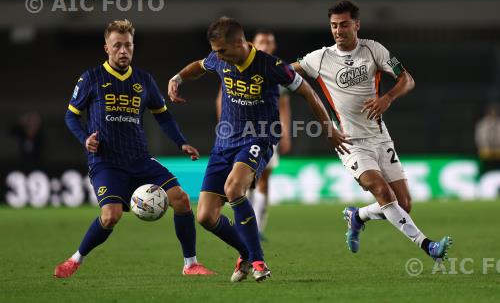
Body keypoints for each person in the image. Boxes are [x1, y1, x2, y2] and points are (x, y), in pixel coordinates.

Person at [168, 17, 350, 282]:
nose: (218, 56)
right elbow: (199, 66)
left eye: (222, 51)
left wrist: (329, 128)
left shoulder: (271, 66)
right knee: (206, 216)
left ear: (240, 42)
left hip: (258, 138)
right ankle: (246, 251)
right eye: (216, 51)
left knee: (233, 190)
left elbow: (309, 92)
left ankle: (258, 261)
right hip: (225, 141)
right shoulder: (219, 59)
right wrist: (177, 78)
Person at [291, 0, 452, 261]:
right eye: (333, 26)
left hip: (379, 136)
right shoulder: (319, 58)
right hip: (349, 141)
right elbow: (287, 72)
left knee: (404, 205)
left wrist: (387, 98)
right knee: (382, 192)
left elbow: (406, 79)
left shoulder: (373, 49)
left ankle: (358, 216)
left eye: (344, 24)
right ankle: (428, 246)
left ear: (356, 24)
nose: (338, 31)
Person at [54, 19, 215, 278]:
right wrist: (85, 138)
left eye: (128, 45)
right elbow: (71, 116)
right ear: (106, 48)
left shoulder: (144, 80)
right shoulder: (91, 78)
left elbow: (162, 115)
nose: (123, 51)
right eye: (117, 45)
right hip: (106, 161)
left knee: (182, 200)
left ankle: (191, 264)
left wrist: (181, 141)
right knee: (110, 216)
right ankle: (76, 259)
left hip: (140, 159)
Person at [215, 29, 292, 241]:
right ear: (253, 43)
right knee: (245, 180)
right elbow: (222, 98)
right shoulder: (237, 63)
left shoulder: (276, 69)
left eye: (269, 41)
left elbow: (284, 106)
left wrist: (286, 134)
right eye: (261, 41)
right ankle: (245, 224)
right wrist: (224, 126)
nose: (265, 45)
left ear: (273, 46)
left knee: (264, 178)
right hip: (239, 133)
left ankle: (258, 227)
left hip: (268, 133)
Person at [475, 103, 500, 175]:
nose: (493, 114)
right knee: (485, 163)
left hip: (498, 150)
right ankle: (482, 174)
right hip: (486, 150)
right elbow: (480, 138)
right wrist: (486, 147)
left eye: (494, 112)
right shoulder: (482, 124)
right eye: (491, 112)